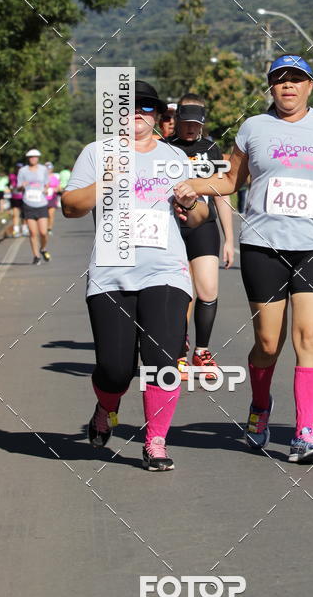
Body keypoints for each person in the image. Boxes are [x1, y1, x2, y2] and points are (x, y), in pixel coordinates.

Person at [174, 55, 313, 464]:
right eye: (280, 79)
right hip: (263, 247)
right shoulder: (253, 128)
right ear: (271, 87)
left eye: (296, 79)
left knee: (310, 339)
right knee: (268, 344)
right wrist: (191, 184)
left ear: (310, 86)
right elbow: (231, 180)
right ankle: (260, 406)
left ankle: (305, 433)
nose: (288, 85)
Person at [62, 80, 208, 471]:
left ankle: (155, 441)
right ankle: (106, 407)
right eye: (128, 107)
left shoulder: (174, 157)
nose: (137, 114)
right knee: (115, 369)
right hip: (111, 272)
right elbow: (70, 206)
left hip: (165, 270)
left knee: (162, 359)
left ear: (158, 116)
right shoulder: (96, 153)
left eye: (146, 107)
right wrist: (106, 181)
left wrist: (190, 201)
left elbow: (199, 216)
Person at [169, 94, 234, 380]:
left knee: (208, 291)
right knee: (182, 294)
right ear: (177, 120)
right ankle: (178, 352)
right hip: (173, 227)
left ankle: (202, 351)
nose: (191, 128)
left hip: (204, 227)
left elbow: (222, 194)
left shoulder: (211, 149)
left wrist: (229, 239)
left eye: (196, 124)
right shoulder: (164, 148)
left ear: (203, 124)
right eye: (186, 123)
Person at [16, 149, 51, 265]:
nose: (33, 159)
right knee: (32, 232)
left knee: (43, 232)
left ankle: (43, 248)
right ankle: (36, 256)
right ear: (28, 158)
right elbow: (18, 187)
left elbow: (47, 183)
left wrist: (46, 189)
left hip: (41, 203)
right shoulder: (22, 171)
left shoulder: (43, 169)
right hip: (28, 203)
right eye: (31, 157)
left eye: (35, 157)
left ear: (38, 158)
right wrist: (22, 186)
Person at [45, 162, 60, 233]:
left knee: (51, 214)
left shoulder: (55, 178)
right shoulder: (42, 177)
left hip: (52, 198)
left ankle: (49, 229)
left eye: (50, 168)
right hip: (43, 199)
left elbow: (59, 188)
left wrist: (55, 189)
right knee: (44, 215)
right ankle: (44, 228)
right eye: (47, 168)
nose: (48, 169)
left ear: (52, 169)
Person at [9, 163, 24, 236]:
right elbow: (10, 185)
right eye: (18, 168)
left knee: (24, 215)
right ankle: (16, 230)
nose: (19, 169)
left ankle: (25, 229)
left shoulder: (25, 176)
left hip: (24, 198)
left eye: (20, 168)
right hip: (15, 197)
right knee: (15, 214)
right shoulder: (12, 176)